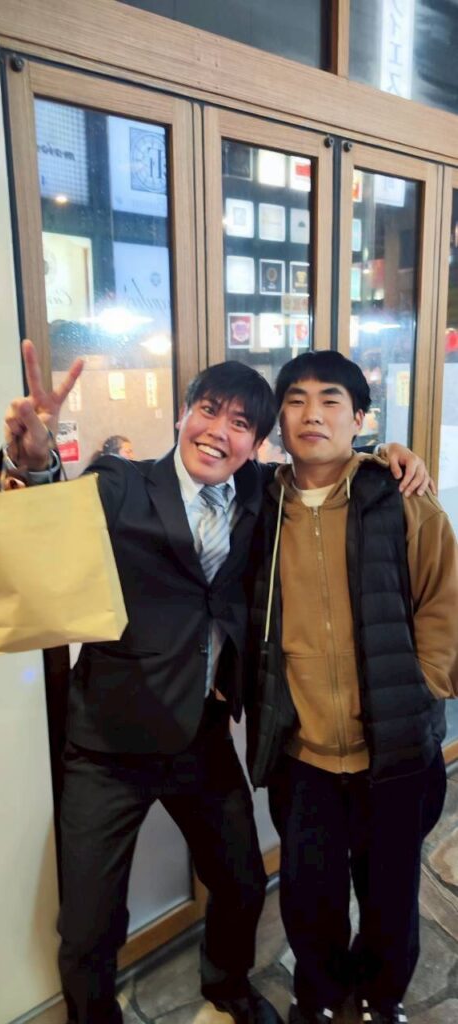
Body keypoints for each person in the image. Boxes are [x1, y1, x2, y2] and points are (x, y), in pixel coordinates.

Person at [3, 340, 432, 1024]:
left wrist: (389, 454)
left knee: (241, 882)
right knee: (88, 922)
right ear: (183, 414)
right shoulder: (121, 483)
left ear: (257, 444)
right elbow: (52, 515)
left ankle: (227, 987)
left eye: (240, 424)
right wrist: (32, 461)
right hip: (107, 745)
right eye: (208, 411)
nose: (218, 432)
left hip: (200, 735)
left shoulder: (259, 493)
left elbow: (327, 468)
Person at [245, 350, 458, 1024]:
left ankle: (381, 997)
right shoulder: (257, 506)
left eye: (331, 400)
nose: (312, 414)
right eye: (296, 400)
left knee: (389, 895)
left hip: (391, 747)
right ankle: (318, 997)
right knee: (308, 896)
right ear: (278, 420)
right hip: (301, 752)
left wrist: (421, 685)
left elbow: (444, 603)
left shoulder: (401, 499)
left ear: (359, 417)